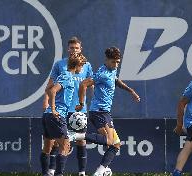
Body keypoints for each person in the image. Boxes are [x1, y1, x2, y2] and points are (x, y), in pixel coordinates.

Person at [74, 46, 140, 176]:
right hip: (100, 112)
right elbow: (83, 84)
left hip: (102, 112)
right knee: (110, 141)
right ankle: (75, 136)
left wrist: (131, 91)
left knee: (115, 145)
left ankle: (99, 171)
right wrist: (81, 103)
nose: (116, 65)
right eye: (113, 62)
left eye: (118, 62)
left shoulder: (112, 70)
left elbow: (115, 80)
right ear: (107, 60)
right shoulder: (102, 74)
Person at [43, 37, 93, 176]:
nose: (74, 50)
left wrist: (93, 101)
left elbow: (91, 84)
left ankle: (81, 172)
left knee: (80, 140)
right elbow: (51, 85)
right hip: (61, 110)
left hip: (79, 110)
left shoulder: (86, 65)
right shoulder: (60, 65)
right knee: (58, 142)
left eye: (76, 48)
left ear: (80, 49)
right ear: (67, 49)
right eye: (71, 48)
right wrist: (47, 102)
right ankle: (52, 170)